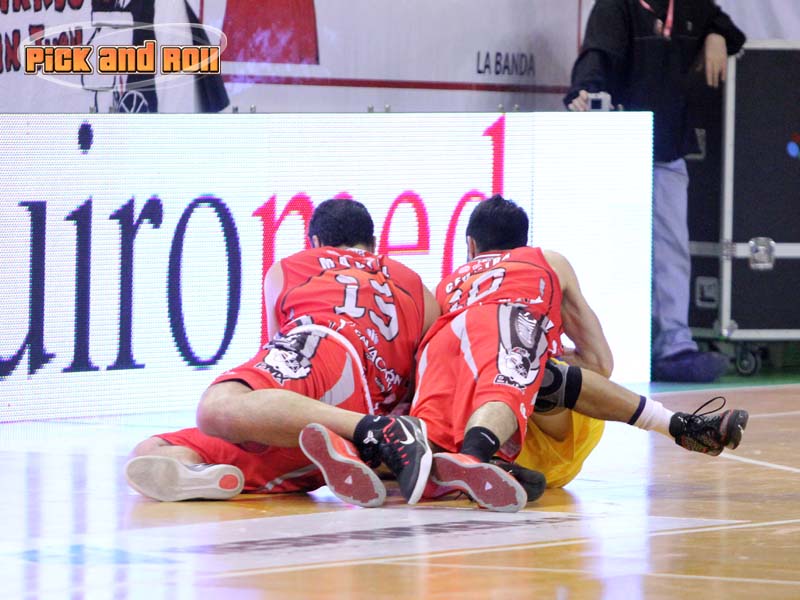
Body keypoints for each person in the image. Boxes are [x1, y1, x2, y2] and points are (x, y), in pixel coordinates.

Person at [124, 198, 440, 507]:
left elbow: (276, 347)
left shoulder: (289, 267)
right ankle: (347, 444)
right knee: (152, 451)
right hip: (361, 407)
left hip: (322, 346)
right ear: (373, 242)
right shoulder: (420, 291)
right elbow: (420, 384)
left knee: (216, 407)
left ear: (315, 242)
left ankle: (369, 431)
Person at [564, 0, 746, 382]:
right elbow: (597, 54)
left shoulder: (691, 5)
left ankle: (675, 346)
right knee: (613, 247)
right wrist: (584, 89)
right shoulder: (617, 6)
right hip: (620, 144)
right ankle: (611, 344)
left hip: (668, 149)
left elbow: (729, 29)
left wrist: (716, 36)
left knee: (672, 248)